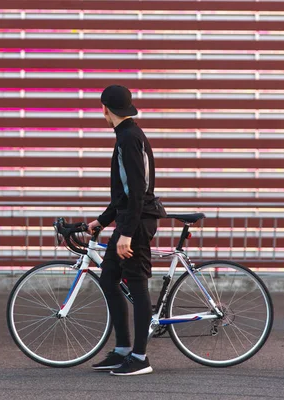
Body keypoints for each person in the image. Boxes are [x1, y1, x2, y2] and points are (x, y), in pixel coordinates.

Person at [88, 85, 165, 376]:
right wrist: (102, 221)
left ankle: (141, 357)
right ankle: (122, 350)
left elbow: (137, 192)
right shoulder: (126, 136)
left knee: (136, 282)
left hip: (138, 221)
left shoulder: (129, 139)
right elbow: (122, 195)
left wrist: (127, 232)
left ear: (106, 109)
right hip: (129, 219)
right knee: (108, 278)